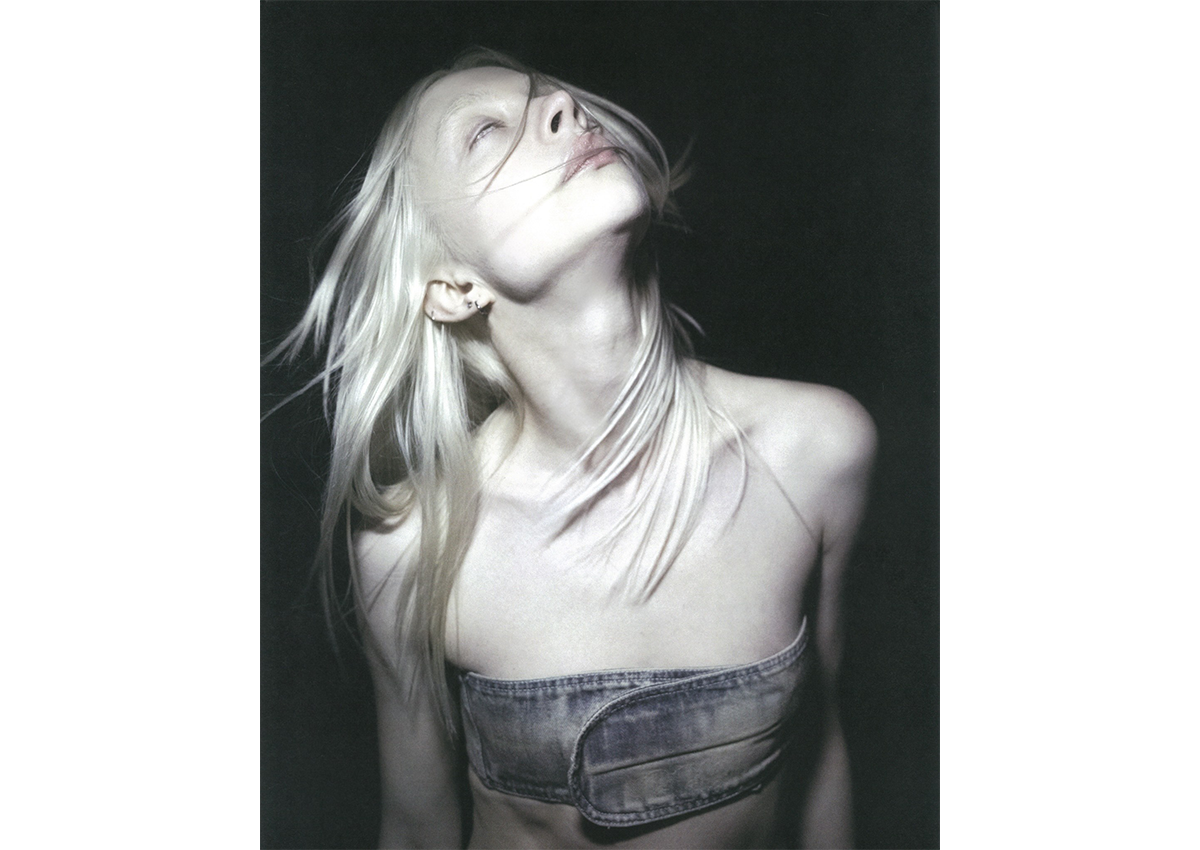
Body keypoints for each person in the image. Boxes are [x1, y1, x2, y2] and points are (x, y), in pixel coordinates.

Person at [271, 48, 876, 849]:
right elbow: (417, 830)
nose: (564, 110)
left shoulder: (816, 450)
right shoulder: (414, 545)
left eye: (549, 99)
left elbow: (823, 758)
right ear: (452, 287)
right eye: (486, 134)